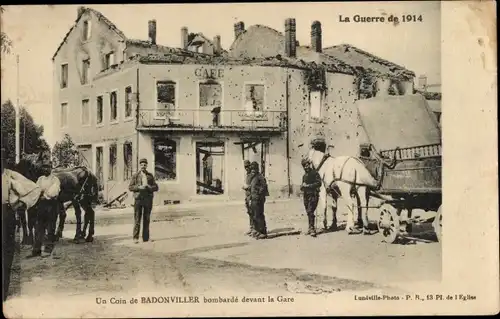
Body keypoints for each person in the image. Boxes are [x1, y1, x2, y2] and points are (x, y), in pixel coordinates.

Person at [32, 162, 61, 257]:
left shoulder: (55, 179)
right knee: (39, 227)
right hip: (41, 205)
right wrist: (40, 193)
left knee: (50, 228)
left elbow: (53, 191)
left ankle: (48, 249)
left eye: (47, 167)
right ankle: (36, 250)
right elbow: (36, 189)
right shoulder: (40, 179)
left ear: (51, 168)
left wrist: (45, 194)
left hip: (51, 205)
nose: (45, 169)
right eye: (43, 167)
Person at [129, 158, 158, 243]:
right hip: (138, 199)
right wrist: (138, 187)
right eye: (142, 165)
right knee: (137, 219)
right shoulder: (135, 176)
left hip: (148, 200)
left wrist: (150, 187)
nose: (143, 166)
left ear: (146, 165)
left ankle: (146, 238)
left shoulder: (150, 176)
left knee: (147, 219)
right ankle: (135, 238)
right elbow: (130, 187)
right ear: (140, 165)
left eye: (145, 165)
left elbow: (156, 187)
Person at [300, 158, 322, 237]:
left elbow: (319, 183)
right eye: (304, 166)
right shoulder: (304, 176)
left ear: (309, 165)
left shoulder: (315, 173)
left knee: (310, 210)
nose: (306, 167)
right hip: (306, 196)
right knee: (308, 211)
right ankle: (310, 227)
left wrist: (309, 186)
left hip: (313, 195)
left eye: (307, 165)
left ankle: (312, 229)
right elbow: (302, 186)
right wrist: (302, 187)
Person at [249, 161, 269, 240]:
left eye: (254, 169)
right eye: (252, 169)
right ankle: (257, 230)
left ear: (257, 169)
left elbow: (263, 187)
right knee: (255, 215)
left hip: (259, 199)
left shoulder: (260, 177)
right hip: (254, 199)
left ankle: (263, 232)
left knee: (259, 215)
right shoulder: (253, 177)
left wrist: (258, 194)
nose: (253, 170)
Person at [242, 160, 255, 236]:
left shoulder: (253, 174)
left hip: (251, 196)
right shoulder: (247, 174)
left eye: (247, 166)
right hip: (247, 196)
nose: (246, 168)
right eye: (245, 167)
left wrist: (247, 187)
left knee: (253, 213)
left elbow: (254, 185)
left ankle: (254, 229)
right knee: (250, 213)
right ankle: (251, 228)